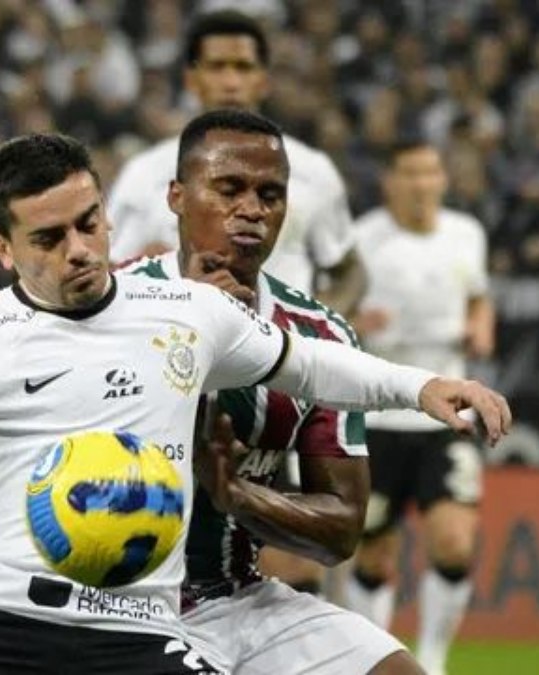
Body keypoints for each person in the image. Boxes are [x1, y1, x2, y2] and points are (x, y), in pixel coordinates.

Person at [0, 131, 512, 675]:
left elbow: (311, 366)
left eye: (89, 222)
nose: (79, 249)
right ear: (3, 248)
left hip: (136, 629)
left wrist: (421, 387)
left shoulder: (186, 311)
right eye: (48, 238)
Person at [121, 109, 421, 674]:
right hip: (114, 603)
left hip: (232, 598)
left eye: (270, 194)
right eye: (229, 189)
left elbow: (342, 527)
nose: (252, 210)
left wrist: (238, 496)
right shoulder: (115, 306)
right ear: (177, 197)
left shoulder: (320, 335)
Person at [107, 8, 366, 595]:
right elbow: (108, 279)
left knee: (299, 553)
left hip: (282, 370)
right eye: (217, 66)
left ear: (264, 79)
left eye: (243, 66)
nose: (231, 80)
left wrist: (317, 327)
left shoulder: (316, 172)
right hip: (176, 371)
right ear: (191, 77)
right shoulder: (143, 174)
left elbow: (348, 266)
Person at [342, 139, 494, 675]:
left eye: (431, 172)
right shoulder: (362, 238)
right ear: (391, 181)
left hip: (449, 416)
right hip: (378, 415)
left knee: (453, 542)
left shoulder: (466, 234)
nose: (422, 183)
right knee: (374, 552)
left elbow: (479, 297)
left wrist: (480, 326)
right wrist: (355, 325)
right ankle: (379, 657)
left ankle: (432, 662)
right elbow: (332, 310)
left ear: (442, 180)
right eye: (410, 173)